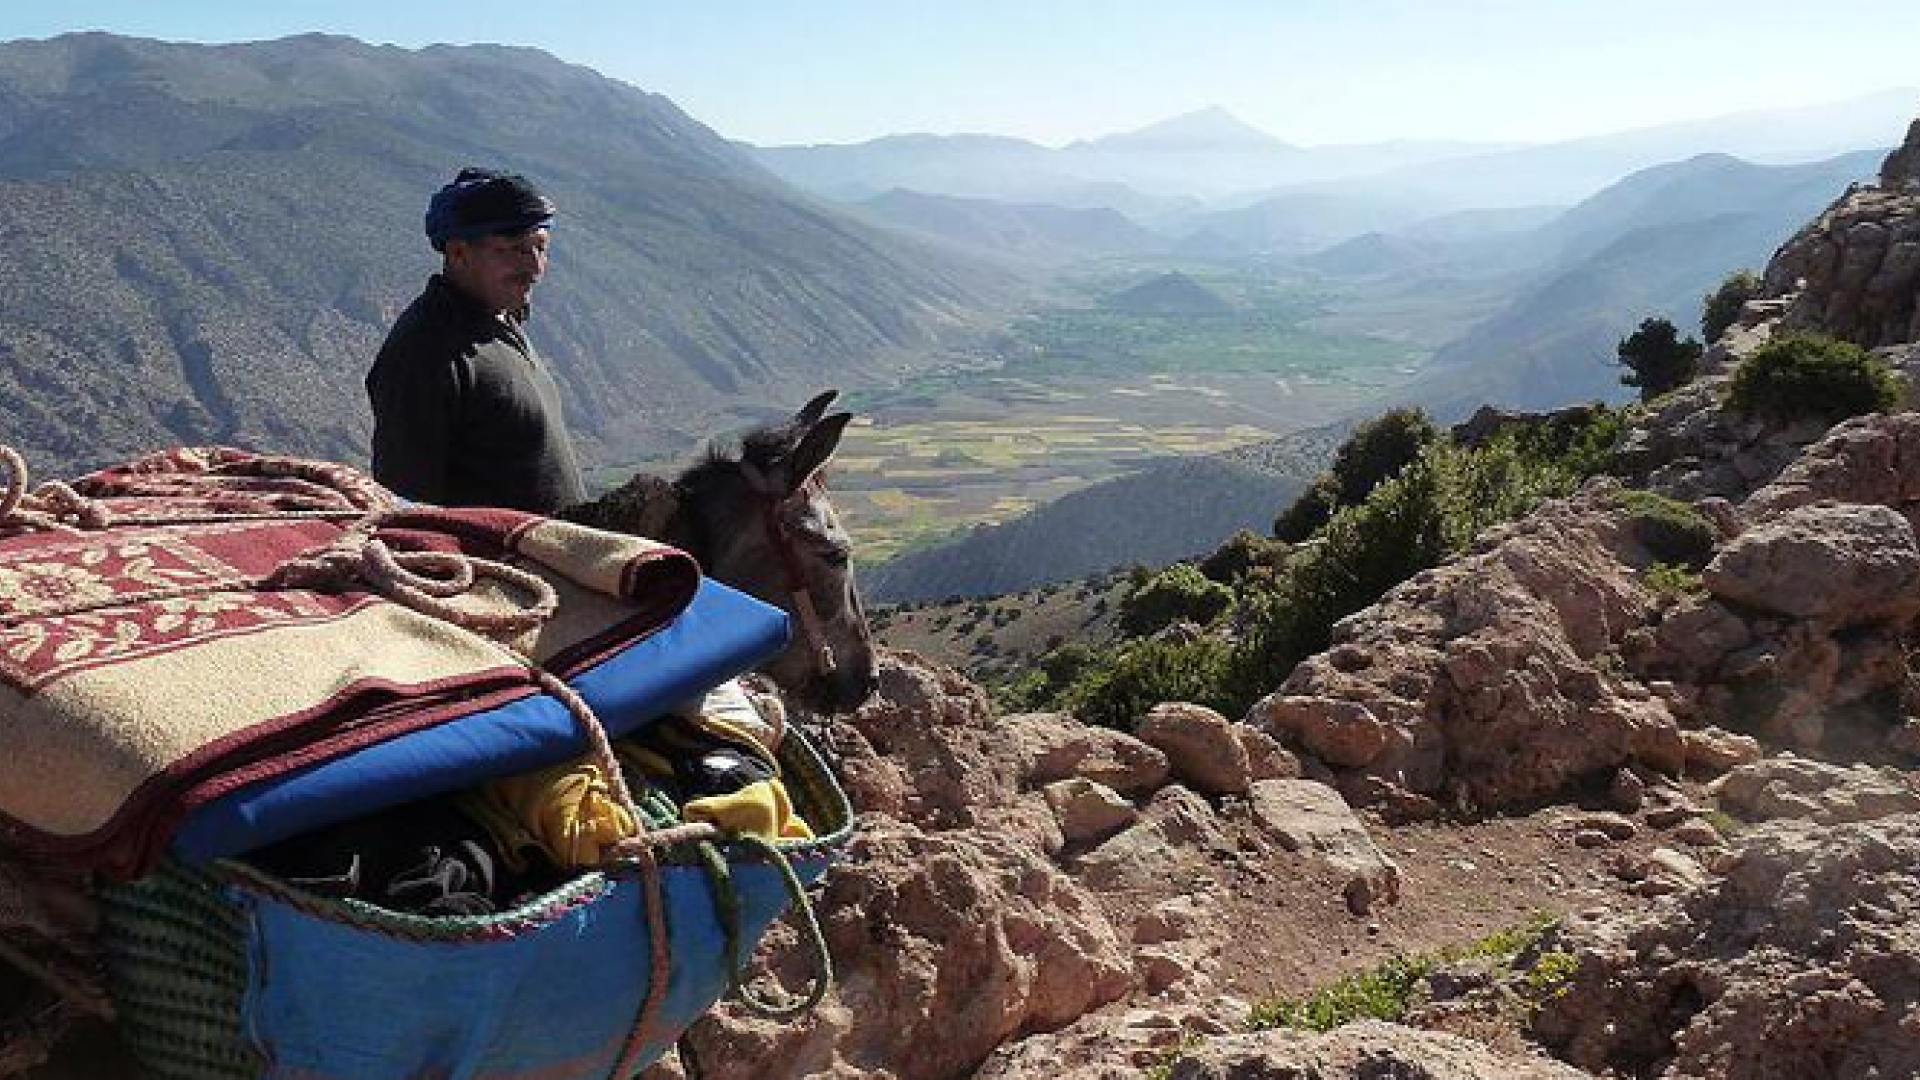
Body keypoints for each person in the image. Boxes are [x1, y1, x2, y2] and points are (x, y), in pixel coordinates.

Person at [367, 168, 587, 512]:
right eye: (513, 249)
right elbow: (408, 507)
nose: (533, 266)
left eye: (540, 247)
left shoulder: (499, 320)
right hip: (498, 563)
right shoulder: (427, 351)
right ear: (458, 253)